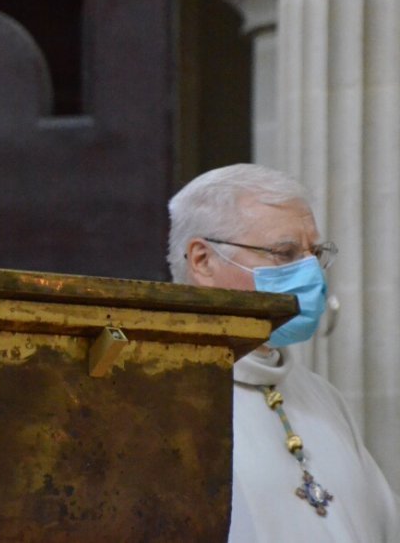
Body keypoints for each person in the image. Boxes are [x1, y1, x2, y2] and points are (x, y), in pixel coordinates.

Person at [168, 163, 398, 542]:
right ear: (203, 261)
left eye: (315, 253)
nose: (312, 272)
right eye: (285, 253)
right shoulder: (162, 396)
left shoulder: (323, 398)